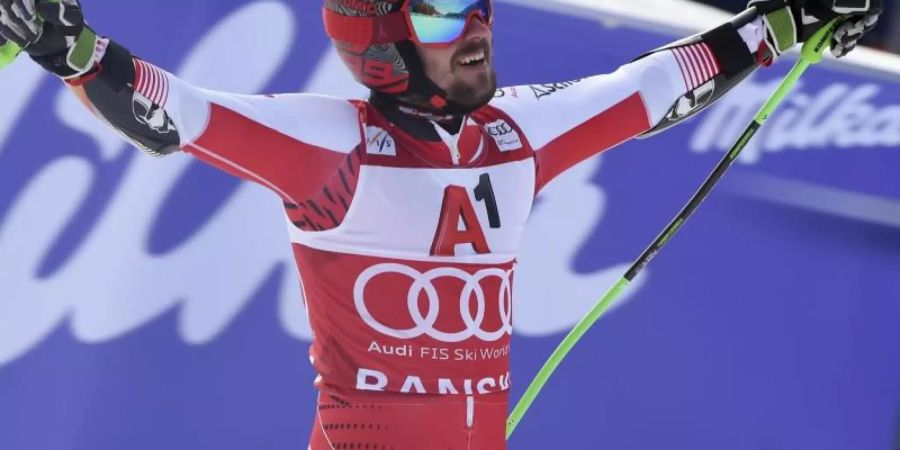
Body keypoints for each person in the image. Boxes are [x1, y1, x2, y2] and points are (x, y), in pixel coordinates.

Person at [0, 0, 882, 448]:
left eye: (473, 2)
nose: (474, 29)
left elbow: (657, 85)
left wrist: (786, 19)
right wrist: (66, 46)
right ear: (378, 40)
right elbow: (176, 114)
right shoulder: (330, 146)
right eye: (435, 13)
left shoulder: (516, 133)